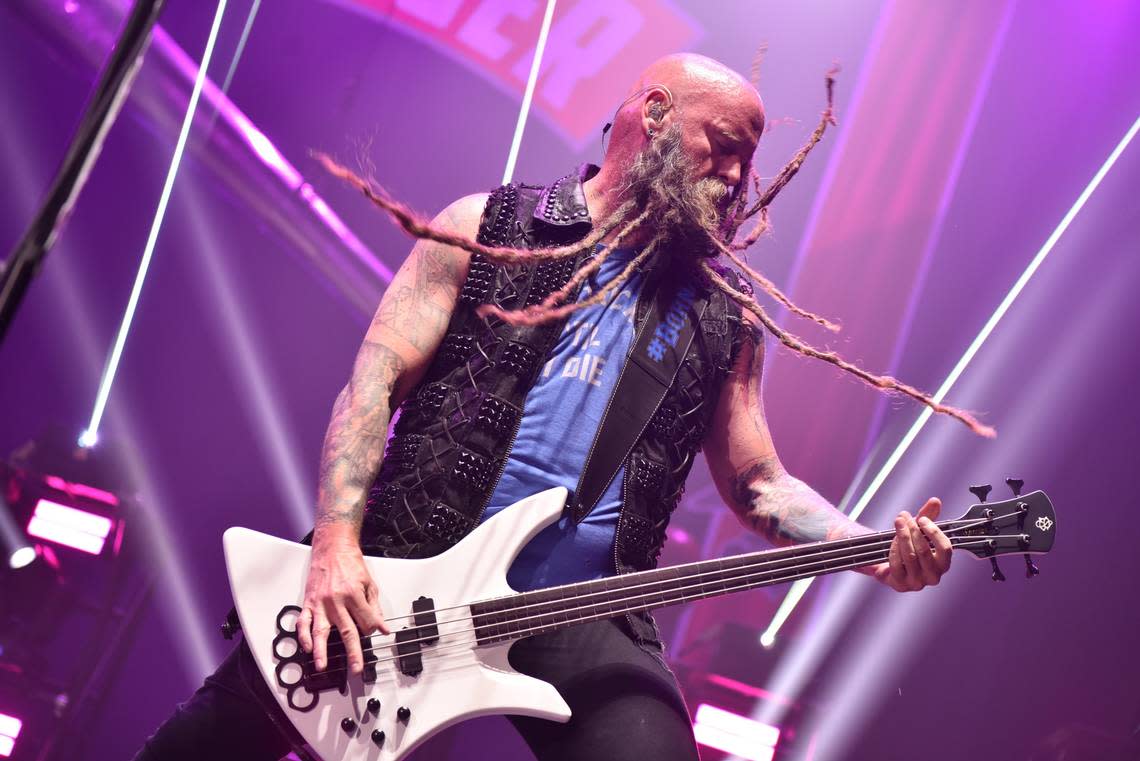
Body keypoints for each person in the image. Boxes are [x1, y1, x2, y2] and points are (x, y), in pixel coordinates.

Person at [135, 53, 985, 761]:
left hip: (583, 607)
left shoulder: (722, 317)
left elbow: (758, 483)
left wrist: (869, 549)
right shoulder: (491, 224)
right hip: (404, 569)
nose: (734, 178)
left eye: (746, 164)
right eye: (722, 146)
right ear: (653, 114)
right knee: (214, 740)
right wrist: (334, 543)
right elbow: (372, 386)